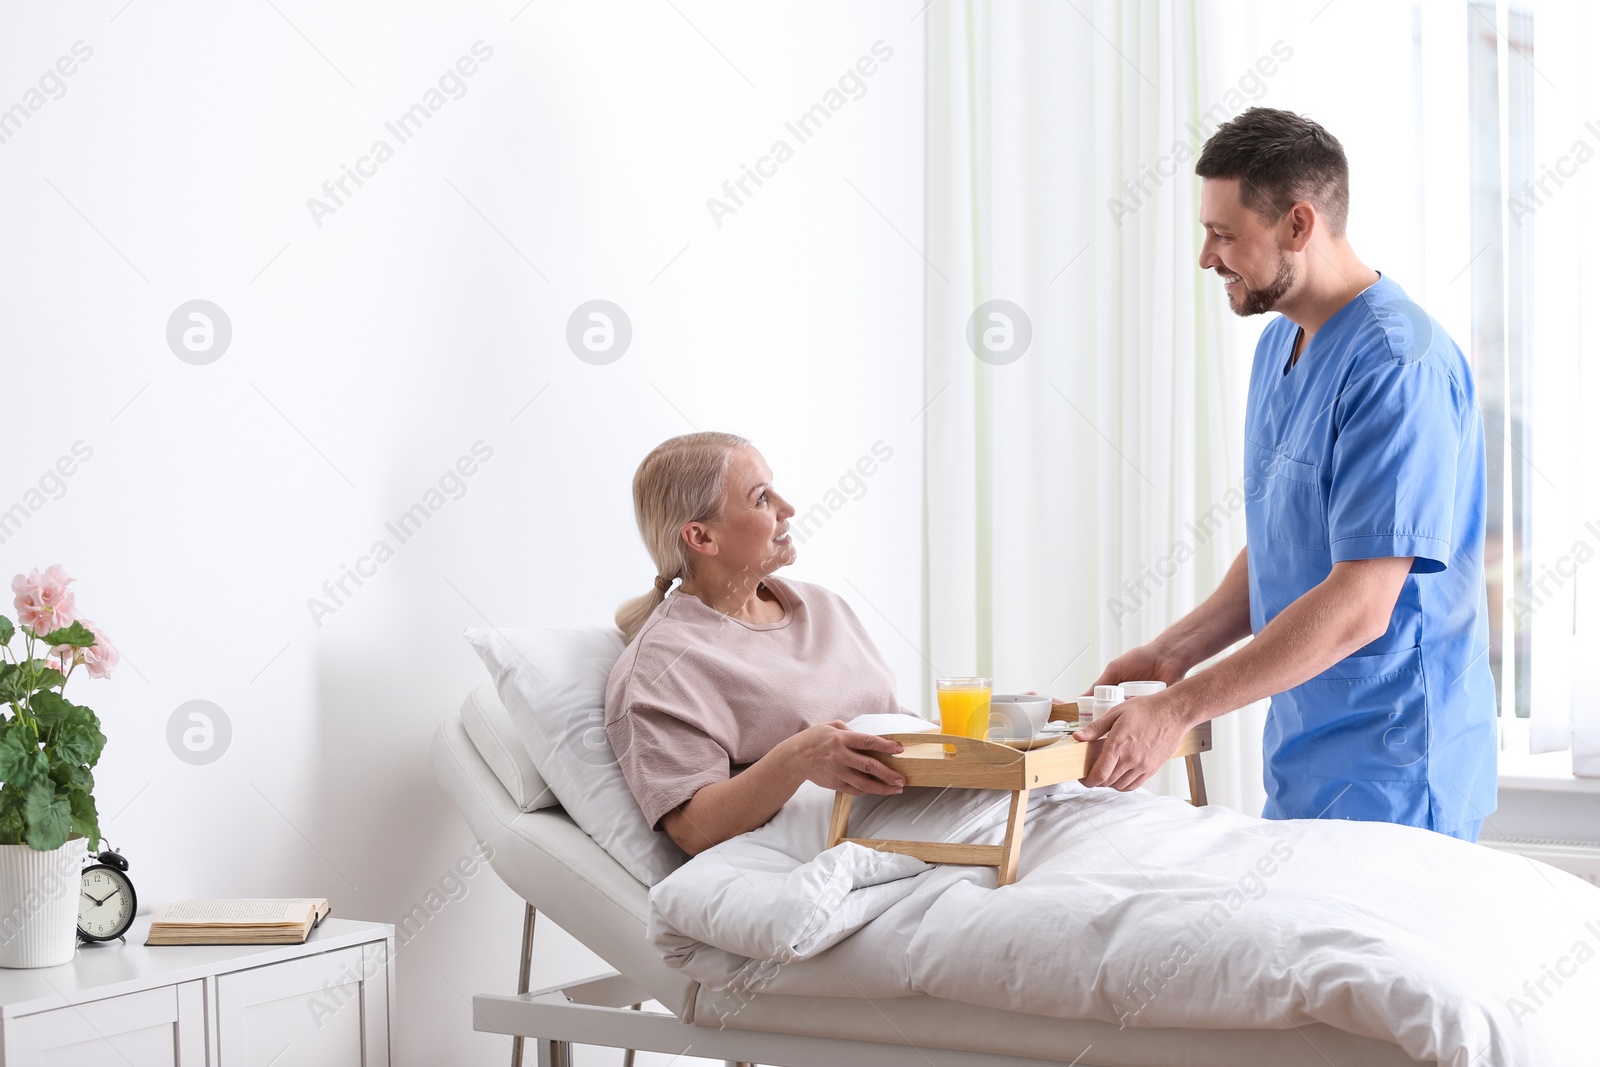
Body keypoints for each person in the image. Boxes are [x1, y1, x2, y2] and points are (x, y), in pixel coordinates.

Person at [1077, 107, 1496, 841]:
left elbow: (1362, 601)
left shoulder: (1399, 363)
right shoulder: (1281, 346)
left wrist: (1176, 709)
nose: (1207, 258)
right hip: (1305, 758)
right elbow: (1288, 539)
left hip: (1397, 767)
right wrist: (1172, 654)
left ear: (1298, 225)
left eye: (1224, 234)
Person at [606, 432, 909, 856]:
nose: (788, 509)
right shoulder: (662, 665)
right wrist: (797, 759)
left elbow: (891, 729)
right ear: (702, 538)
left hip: (917, 820)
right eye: (762, 498)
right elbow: (694, 828)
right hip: (831, 857)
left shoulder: (822, 605)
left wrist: (1001, 732)